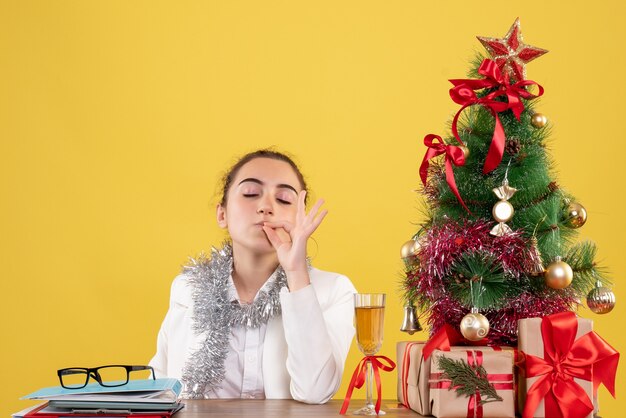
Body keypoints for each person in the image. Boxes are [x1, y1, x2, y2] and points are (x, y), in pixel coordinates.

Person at [149, 149, 356, 403]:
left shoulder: (334, 290)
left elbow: (316, 392)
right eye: (250, 193)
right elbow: (158, 387)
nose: (266, 207)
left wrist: (296, 272)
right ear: (222, 214)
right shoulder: (187, 288)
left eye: (283, 199)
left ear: (300, 217)